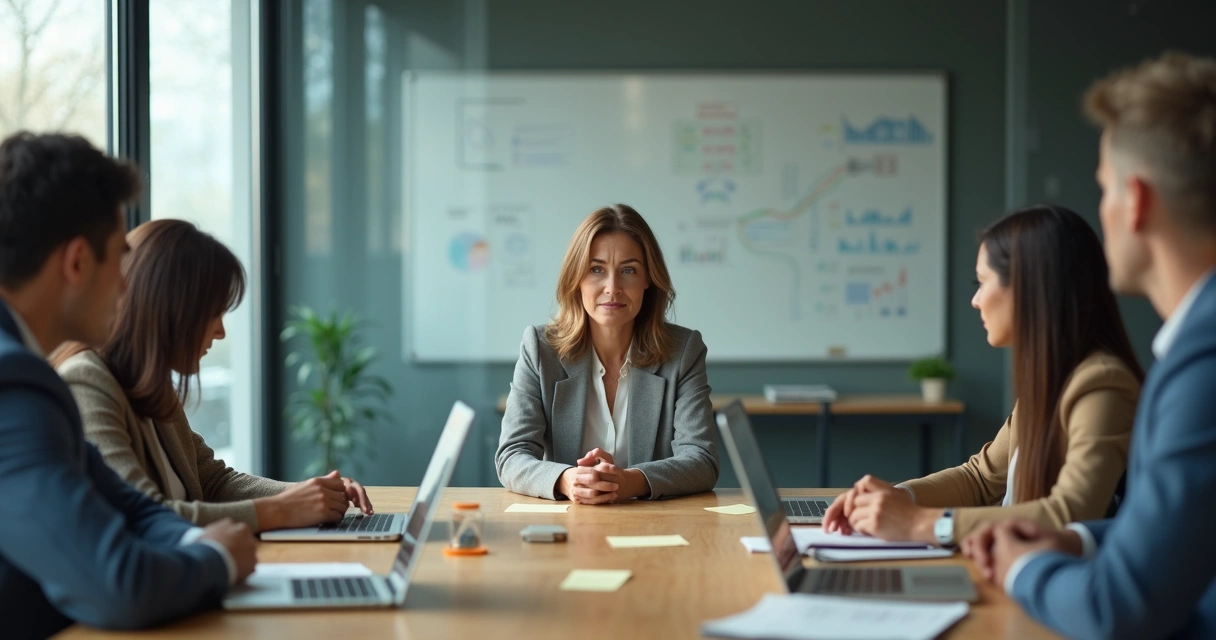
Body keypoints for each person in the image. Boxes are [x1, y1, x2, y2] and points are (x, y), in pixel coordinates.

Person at [963, 52, 1216, 640]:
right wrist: (1074, 539)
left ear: (1137, 200)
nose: (1101, 212)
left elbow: (1117, 607)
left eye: (1104, 189)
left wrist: (1024, 565)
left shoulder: (1201, 362)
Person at [0, 132, 257, 638]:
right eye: (119, 258)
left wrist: (192, 542)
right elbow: (119, 583)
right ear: (76, 262)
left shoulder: (29, 376)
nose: (126, 286)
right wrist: (217, 559)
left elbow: (129, 505)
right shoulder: (15, 389)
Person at [822, 204, 1144, 547]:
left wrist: (920, 523)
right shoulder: (1053, 378)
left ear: (1028, 289)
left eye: (983, 282)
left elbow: (1070, 512)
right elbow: (978, 479)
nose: (975, 301)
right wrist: (897, 500)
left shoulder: (1102, 384)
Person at [51, 219, 373, 532]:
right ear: (169, 312)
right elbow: (142, 517)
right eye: (212, 314)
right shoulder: (87, 383)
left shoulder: (151, 386)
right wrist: (284, 509)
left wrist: (311, 494)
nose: (219, 333)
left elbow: (214, 482)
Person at [496, 204, 719, 503]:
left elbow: (702, 459)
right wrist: (565, 480)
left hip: (655, 528)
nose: (612, 288)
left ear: (647, 279)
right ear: (577, 278)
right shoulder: (540, 348)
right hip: (568, 526)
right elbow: (512, 456)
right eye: (596, 269)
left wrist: (629, 482)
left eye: (628, 270)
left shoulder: (682, 352)